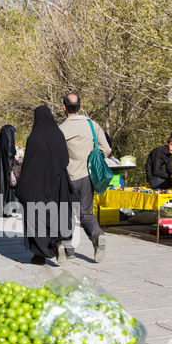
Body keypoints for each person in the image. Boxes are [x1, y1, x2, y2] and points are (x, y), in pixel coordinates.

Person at [15, 105, 73, 265]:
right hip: (56, 183)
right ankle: (56, 242)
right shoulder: (58, 134)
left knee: (35, 216)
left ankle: (39, 255)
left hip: (36, 184)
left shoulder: (34, 137)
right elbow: (65, 160)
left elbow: (27, 163)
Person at [59, 93, 111, 263]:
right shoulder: (92, 125)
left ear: (64, 108)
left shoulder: (61, 129)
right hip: (88, 177)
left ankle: (68, 249)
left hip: (68, 177)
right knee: (86, 213)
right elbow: (106, 150)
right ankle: (97, 236)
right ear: (80, 106)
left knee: (65, 213)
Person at [0, 125, 19, 217]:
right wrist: (15, 159)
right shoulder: (9, 143)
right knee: (10, 190)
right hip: (9, 172)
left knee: (2, 189)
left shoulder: (1, 144)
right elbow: (10, 157)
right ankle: (9, 210)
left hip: (2, 171)